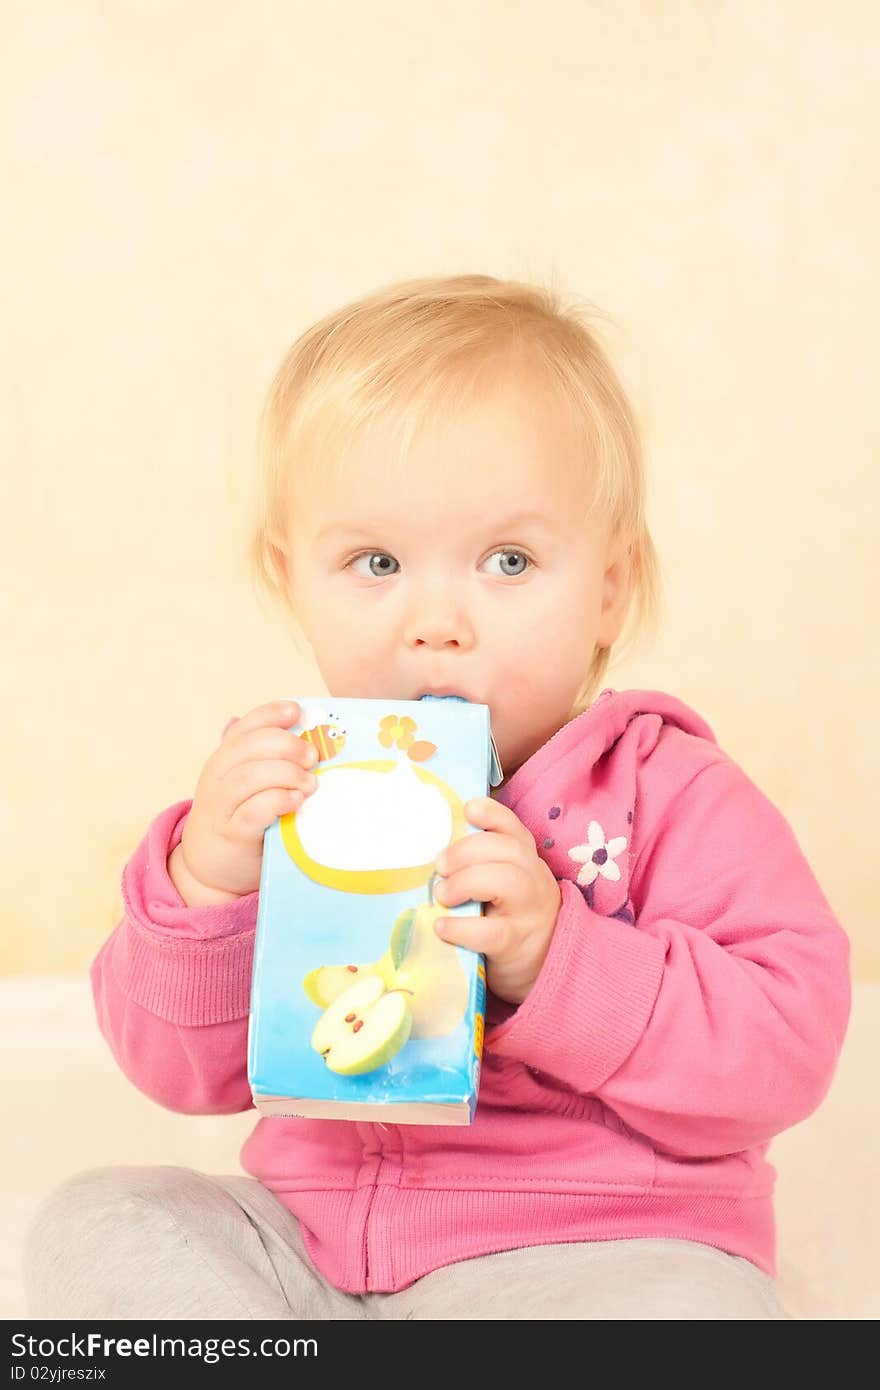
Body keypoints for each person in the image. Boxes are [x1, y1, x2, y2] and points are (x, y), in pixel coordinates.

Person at [23, 274, 850, 1320]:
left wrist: (558, 961)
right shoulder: (290, 786)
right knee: (100, 1217)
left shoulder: (666, 788)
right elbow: (175, 1074)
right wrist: (206, 881)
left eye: (508, 560)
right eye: (375, 562)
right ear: (291, 579)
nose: (436, 622)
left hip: (592, 1252)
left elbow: (784, 1049)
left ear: (609, 588)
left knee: (689, 1312)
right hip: (311, 1252)